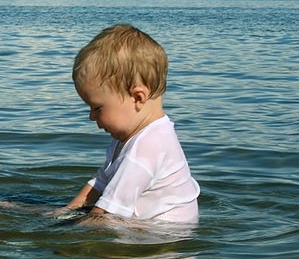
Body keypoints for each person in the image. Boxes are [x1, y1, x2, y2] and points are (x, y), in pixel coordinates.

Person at [60, 24, 199, 222]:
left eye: (97, 108)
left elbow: (108, 216)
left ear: (137, 97)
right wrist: (65, 211)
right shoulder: (130, 135)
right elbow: (101, 183)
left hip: (159, 239)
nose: (91, 117)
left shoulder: (147, 146)